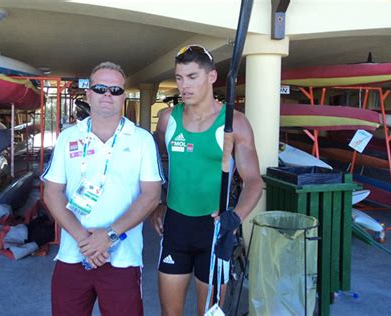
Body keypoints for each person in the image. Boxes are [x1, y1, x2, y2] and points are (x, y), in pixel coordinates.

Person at [150, 45, 264, 315]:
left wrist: (235, 218)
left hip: (215, 229)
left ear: (211, 77)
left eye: (192, 77)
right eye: (179, 78)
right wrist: (159, 201)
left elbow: (254, 181)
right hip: (175, 227)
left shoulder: (234, 123)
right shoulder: (168, 119)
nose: (183, 86)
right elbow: (158, 165)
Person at [42, 61, 163, 316]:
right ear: (88, 94)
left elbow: (152, 196)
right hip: (73, 254)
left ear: (123, 96)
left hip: (122, 258)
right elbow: (51, 193)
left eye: (115, 90)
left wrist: (108, 236)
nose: (108, 94)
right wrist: (85, 240)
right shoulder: (68, 137)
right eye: (100, 88)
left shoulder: (141, 140)